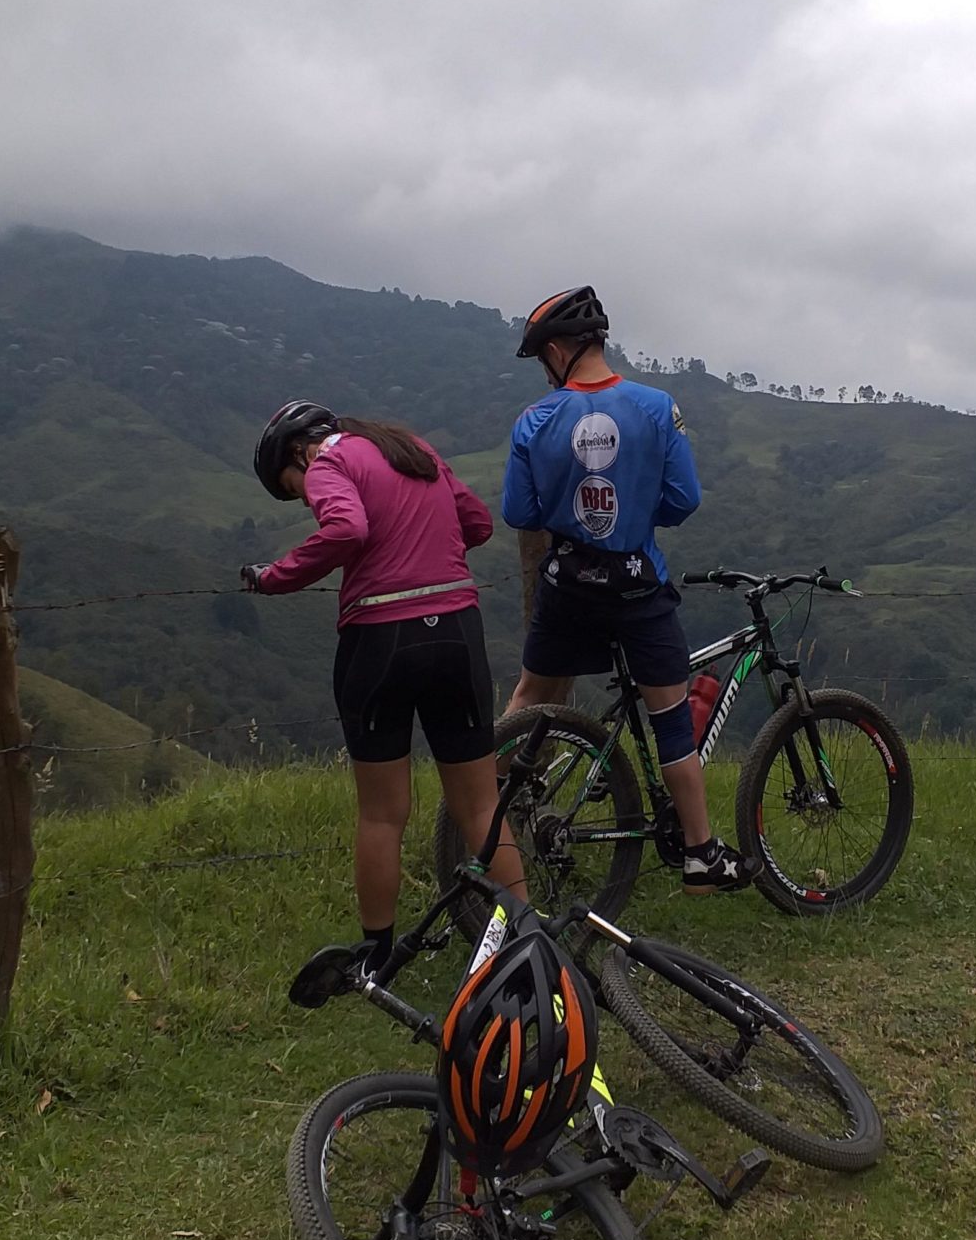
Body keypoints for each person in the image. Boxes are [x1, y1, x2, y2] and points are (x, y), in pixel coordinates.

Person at [241, 401, 523, 959]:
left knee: (382, 812)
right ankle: (521, 940)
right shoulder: (415, 450)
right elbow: (479, 524)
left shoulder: (326, 463)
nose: (304, 495)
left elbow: (346, 527)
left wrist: (274, 579)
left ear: (297, 452)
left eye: (293, 487)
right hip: (458, 634)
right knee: (482, 806)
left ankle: (376, 953)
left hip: (381, 639)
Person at [498, 285, 738, 892]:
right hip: (636, 585)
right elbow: (684, 500)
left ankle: (486, 818)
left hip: (567, 586)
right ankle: (701, 854)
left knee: (529, 699)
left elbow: (519, 513)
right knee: (671, 719)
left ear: (556, 350)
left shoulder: (534, 421)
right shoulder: (657, 407)